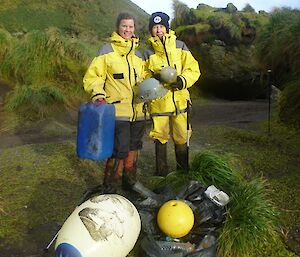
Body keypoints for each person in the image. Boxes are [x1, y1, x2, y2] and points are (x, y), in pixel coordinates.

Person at [83, 12, 145, 192]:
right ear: (118, 27)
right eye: (124, 26)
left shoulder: (138, 55)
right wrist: (97, 94)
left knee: (134, 147)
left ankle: (130, 182)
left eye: (131, 26)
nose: (127, 29)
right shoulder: (106, 51)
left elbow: (145, 79)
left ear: (134, 29)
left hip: (139, 111)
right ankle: (110, 188)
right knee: (119, 149)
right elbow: (93, 77)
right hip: (117, 111)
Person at [143, 12, 201, 176]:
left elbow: (193, 69)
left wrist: (182, 81)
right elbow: (142, 75)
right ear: (151, 30)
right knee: (160, 137)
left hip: (180, 102)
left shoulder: (180, 46)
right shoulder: (147, 52)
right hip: (159, 103)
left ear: (167, 29)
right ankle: (161, 175)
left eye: (161, 27)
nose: (158, 30)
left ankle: (182, 174)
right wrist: (152, 79)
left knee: (182, 137)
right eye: (155, 27)